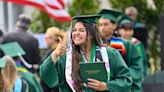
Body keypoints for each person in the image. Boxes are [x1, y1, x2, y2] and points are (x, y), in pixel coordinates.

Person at [40, 15, 132, 92]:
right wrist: (54, 55)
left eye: (81, 30)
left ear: (91, 34)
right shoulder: (66, 58)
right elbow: (48, 77)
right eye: (74, 30)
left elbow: (126, 79)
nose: (76, 33)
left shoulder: (110, 54)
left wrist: (106, 86)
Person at [98, 9, 143, 92]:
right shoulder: (96, 45)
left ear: (114, 25)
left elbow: (136, 65)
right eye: (100, 25)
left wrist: (123, 75)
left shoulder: (125, 44)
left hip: (121, 86)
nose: (102, 28)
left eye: (105, 24)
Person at [41, 27, 66, 92]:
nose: (45, 39)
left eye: (47, 37)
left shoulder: (54, 52)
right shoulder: (60, 50)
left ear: (53, 38)